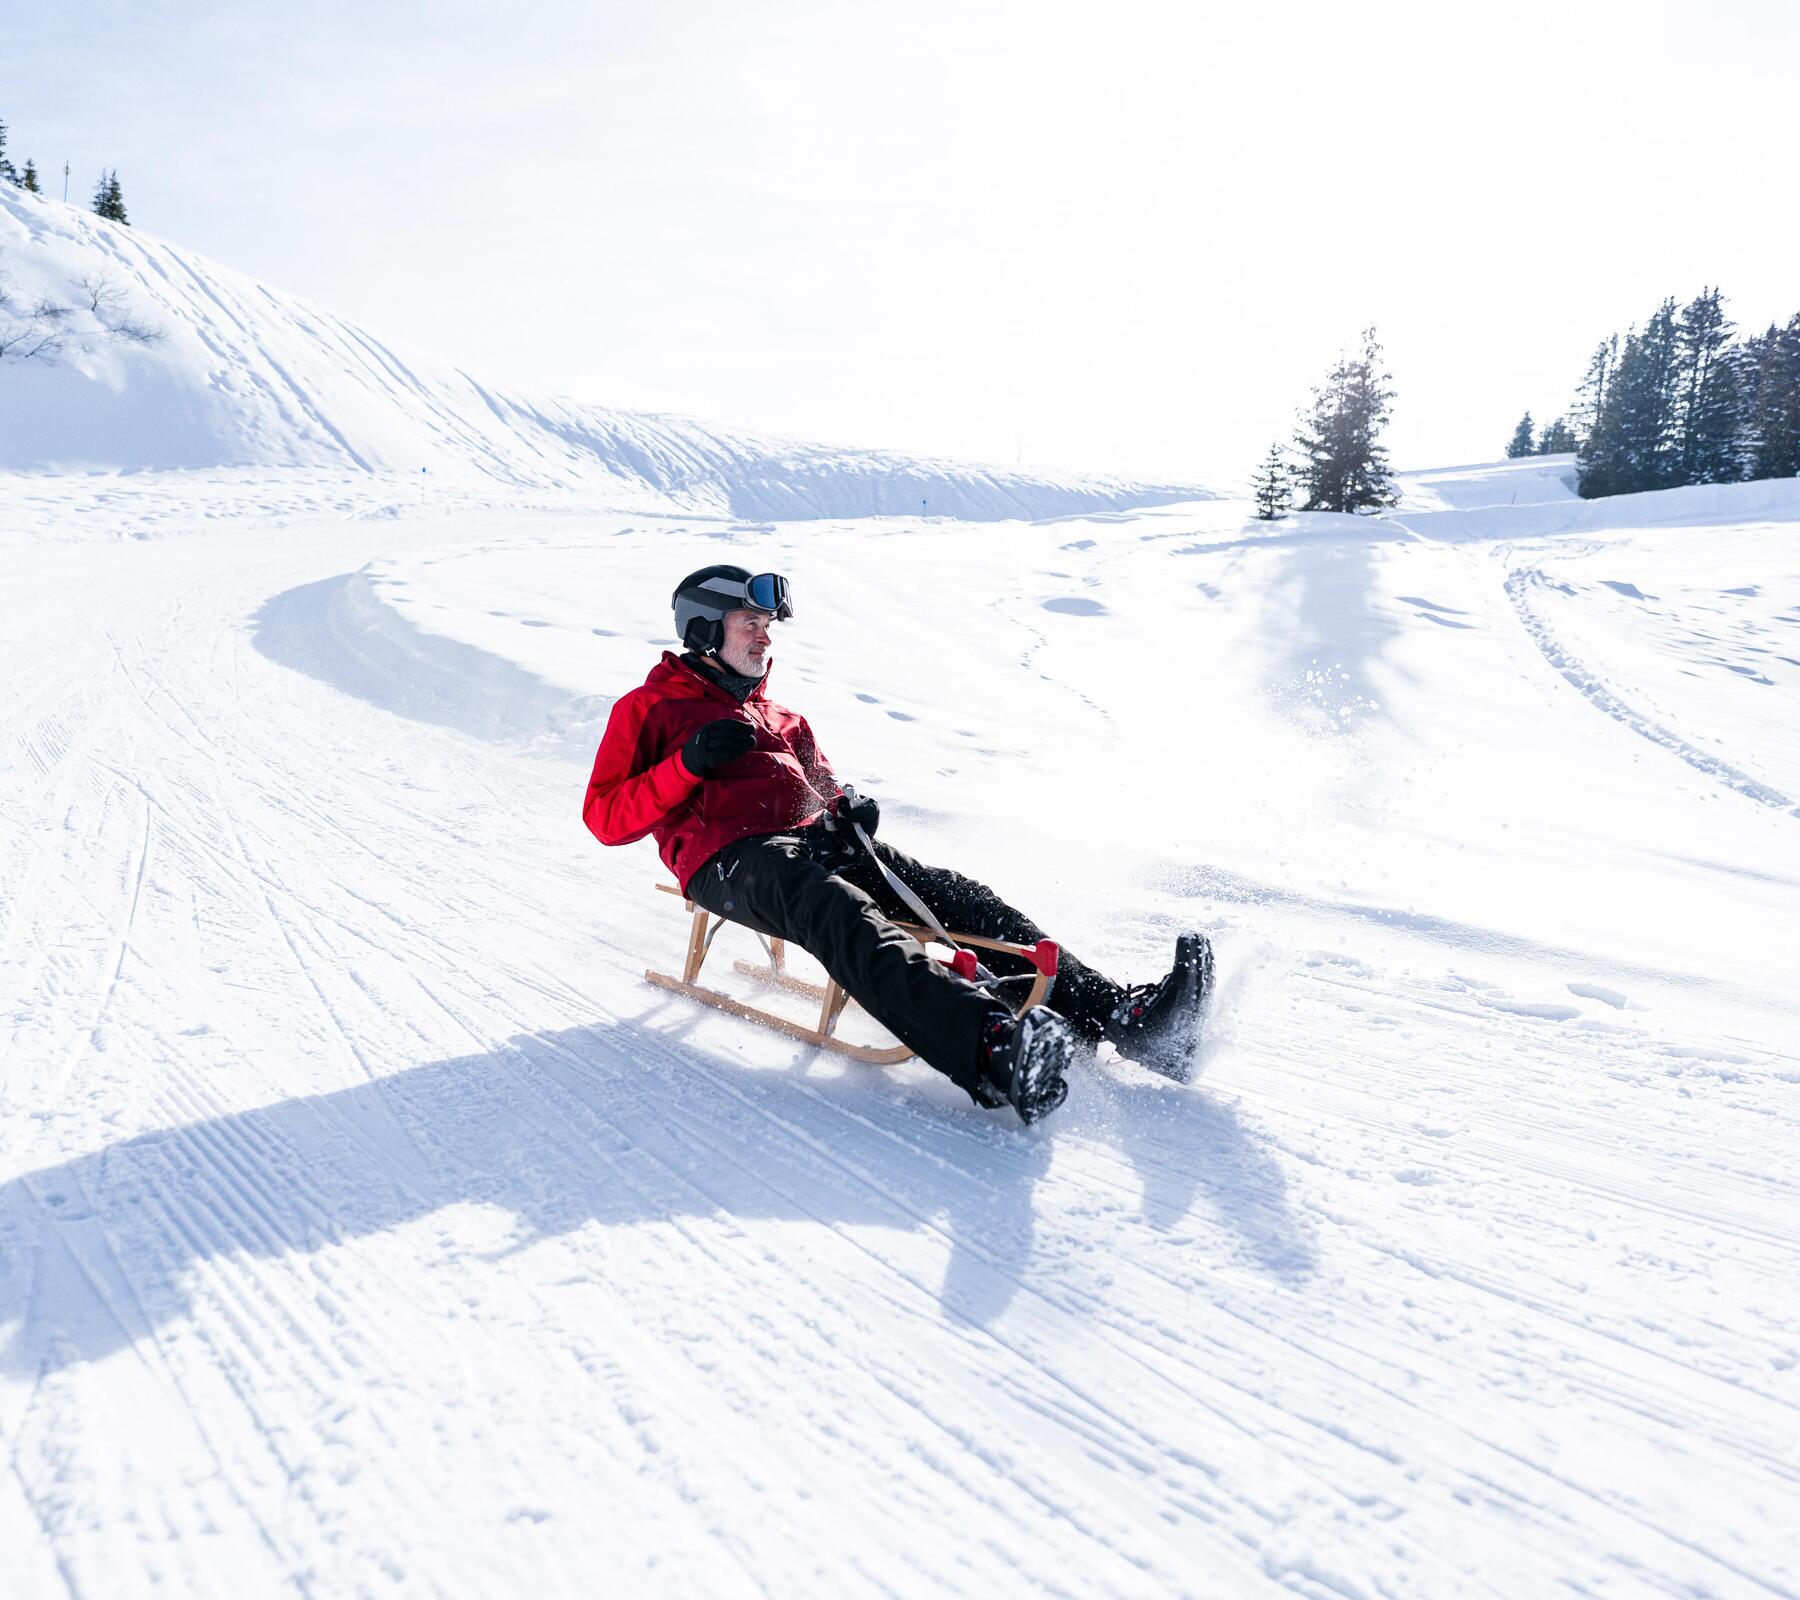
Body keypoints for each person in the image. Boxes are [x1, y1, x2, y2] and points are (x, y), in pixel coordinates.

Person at [582, 564, 1211, 1124]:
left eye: (768, 623)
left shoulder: (783, 718)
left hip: (813, 843)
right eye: (750, 622)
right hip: (729, 857)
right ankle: (990, 1048)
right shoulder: (649, 709)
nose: (765, 636)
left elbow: (822, 785)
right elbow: (605, 818)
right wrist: (686, 764)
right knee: (835, 908)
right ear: (702, 630)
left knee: (960, 897)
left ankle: (1123, 1019)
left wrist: (845, 807)